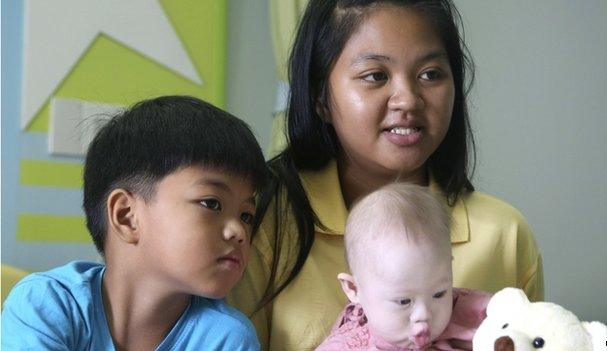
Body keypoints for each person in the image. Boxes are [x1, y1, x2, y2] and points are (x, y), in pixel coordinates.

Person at [228, 0, 544, 350]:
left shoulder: (505, 234)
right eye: (375, 76)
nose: (408, 99)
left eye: (430, 74)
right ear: (320, 98)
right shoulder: (262, 221)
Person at [2, 96, 266, 350]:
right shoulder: (46, 303)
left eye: (246, 216)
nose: (239, 231)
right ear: (126, 216)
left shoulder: (228, 338)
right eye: (212, 203)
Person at [315, 183, 491, 350]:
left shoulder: (470, 314)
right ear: (354, 288)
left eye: (439, 294)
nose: (424, 314)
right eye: (403, 301)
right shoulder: (346, 345)